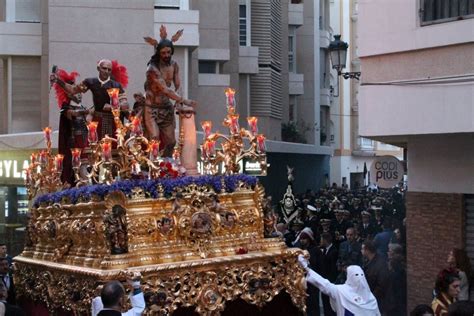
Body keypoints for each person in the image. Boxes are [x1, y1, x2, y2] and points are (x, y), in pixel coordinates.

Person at [143, 26, 196, 157]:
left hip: (166, 108)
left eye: (168, 52)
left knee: (171, 142)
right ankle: (151, 166)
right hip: (152, 108)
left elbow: (178, 85)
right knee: (154, 138)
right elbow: (165, 89)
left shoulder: (174, 65)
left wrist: (179, 102)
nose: (166, 55)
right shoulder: (152, 69)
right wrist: (183, 100)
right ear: (158, 53)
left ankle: (166, 165)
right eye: (163, 53)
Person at [51, 59, 130, 140]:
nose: (106, 71)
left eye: (109, 70)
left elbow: (125, 105)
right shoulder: (91, 82)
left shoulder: (116, 85)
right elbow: (72, 90)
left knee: (114, 148)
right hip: (97, 120)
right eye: (104, 68)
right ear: (98, 68)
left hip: (112, 121)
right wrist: (58, 80)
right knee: (96, 147)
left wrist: (112, 107)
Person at [298, 255, 381, 316]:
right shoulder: (371, 298)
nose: (358, 278)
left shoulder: (340, 291)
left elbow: (323, 284)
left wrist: (306, 267)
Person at [53, 68, 91, 185]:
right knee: (79, 169)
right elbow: (72, 114)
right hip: (75, 141)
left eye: (80, 92)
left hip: (86, 139)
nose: (79, 94)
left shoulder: (83, 107)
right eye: (76, 92)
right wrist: (83, 112)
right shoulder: (66, 107)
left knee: (89, 166)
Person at [362, 240, 389, 314]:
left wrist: (371, 297)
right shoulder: (367, 261)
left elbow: (382, 285)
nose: (361, 251)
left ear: (367, 250)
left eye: (362, 249)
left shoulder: (380, 264)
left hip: (378, 301)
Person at [320, 232, 338, 316]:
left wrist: (330, 281)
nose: (320, 241)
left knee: (330, 303)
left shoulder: (333, 251)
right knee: (325, 302)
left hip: (329, 281)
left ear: (325, 240)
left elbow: (333, 269)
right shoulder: (324, 250)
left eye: (321, 239)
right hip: (324, 280)